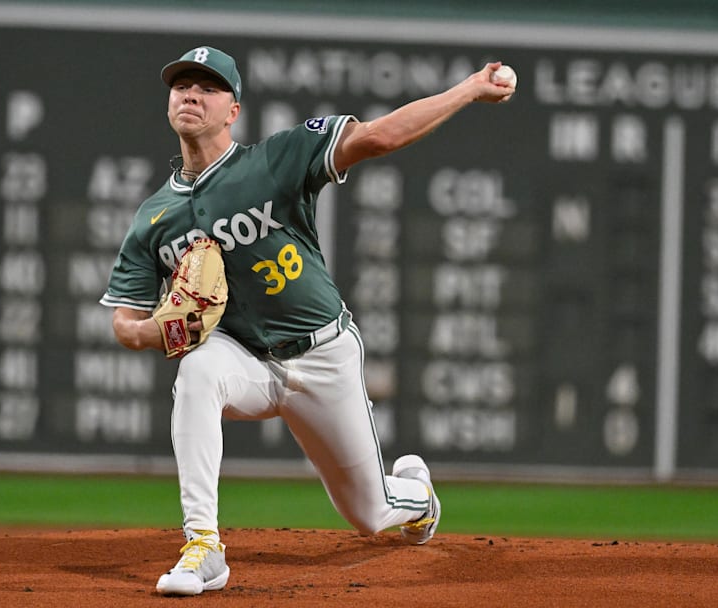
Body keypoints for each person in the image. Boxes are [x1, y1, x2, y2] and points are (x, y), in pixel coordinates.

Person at [100, 45, 515, 596]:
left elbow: (379, 136)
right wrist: (158, 331)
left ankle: (419, 495)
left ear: (233, 111)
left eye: (208, 87)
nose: (190, 94)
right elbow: (125, 323)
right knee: (196, 371)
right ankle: (203, 546)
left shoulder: (277, 158)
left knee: (371, 513)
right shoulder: (152, 216)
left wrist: (468, 89)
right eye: (181, 86)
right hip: (246, 359)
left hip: (323, 354)